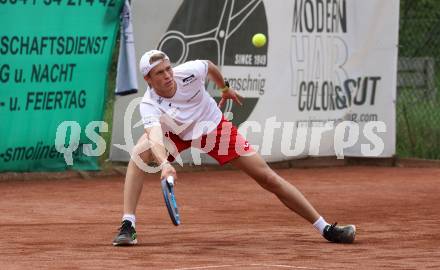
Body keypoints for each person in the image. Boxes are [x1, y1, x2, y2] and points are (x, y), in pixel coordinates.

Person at [112, 49, 356, 246]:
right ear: (148, 79)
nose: (167, 75)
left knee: (267, 177)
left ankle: (325, 228)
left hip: (212, 127)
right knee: (138, 156)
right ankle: (128, 225)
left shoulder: (189, 71)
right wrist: (164, 164)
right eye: (159, 73)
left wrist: (225, 88)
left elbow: (209, 66)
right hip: (173, 132)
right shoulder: (148, 104)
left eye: (168, 68)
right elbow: (154, 135)